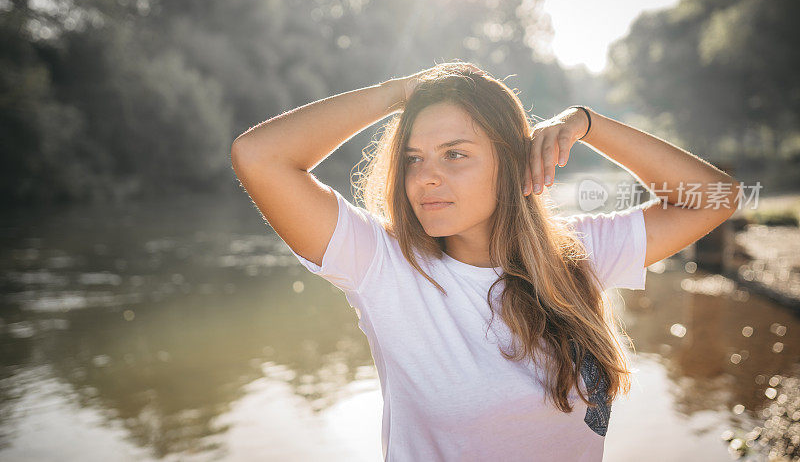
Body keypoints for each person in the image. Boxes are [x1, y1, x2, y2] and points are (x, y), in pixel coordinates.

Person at [230, 61, 738, 461]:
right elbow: (258, 156)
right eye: (413, 158)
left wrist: (586, 124)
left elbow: (717, 197)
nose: (425, 176)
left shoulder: (574, 255)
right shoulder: (384, 268)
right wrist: (405, 92)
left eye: (454, 154)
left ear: (511, 162)